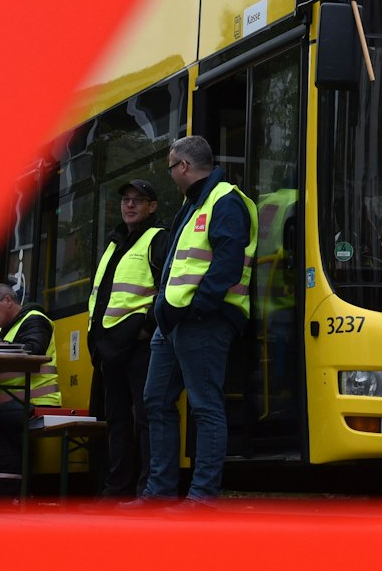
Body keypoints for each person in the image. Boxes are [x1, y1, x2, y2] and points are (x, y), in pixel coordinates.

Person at [135, 135, 256, 507]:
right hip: (174, 324)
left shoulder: (225, 200)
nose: (171, 175)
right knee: (155, 400)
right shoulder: (193, 204)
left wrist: (198, 308)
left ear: (183, 166)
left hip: (203, 321)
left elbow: (226, 265)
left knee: (205, 406)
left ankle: (202, 498)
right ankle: (160, 493)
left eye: (171, 167)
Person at [87, 178, 168, 497]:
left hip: (139, 346)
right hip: (109, 349)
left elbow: (167, 287)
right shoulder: (114, 243)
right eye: (125, 200)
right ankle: (116, 489)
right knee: (117, 421)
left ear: (152, 206)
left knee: (146, 418)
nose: (130, 204)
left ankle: (147, 487)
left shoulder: (157, 238)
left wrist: (146, 327)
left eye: (138, 199)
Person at [0, 284, 60, 496]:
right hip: (14, 405)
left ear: (8, 301)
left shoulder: (36, 319)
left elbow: (34, 349)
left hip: (38, 402)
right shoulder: (3, 330)